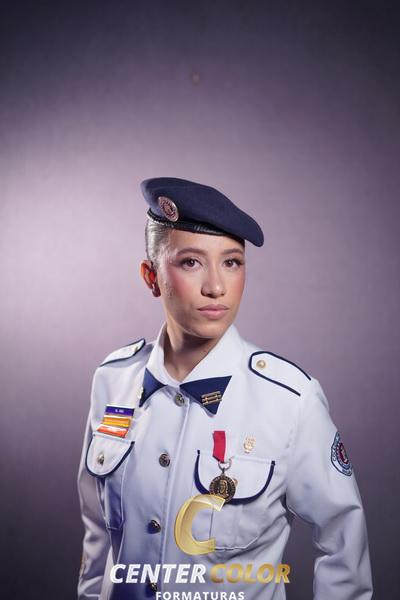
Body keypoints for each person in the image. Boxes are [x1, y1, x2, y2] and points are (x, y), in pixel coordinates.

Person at [77, 177, 373, 600]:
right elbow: (97, 531)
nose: (216, 286)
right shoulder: (113, 380)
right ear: (151, 277)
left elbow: (344, 540)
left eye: (232, 262)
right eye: (191, 262)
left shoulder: (289, 400)